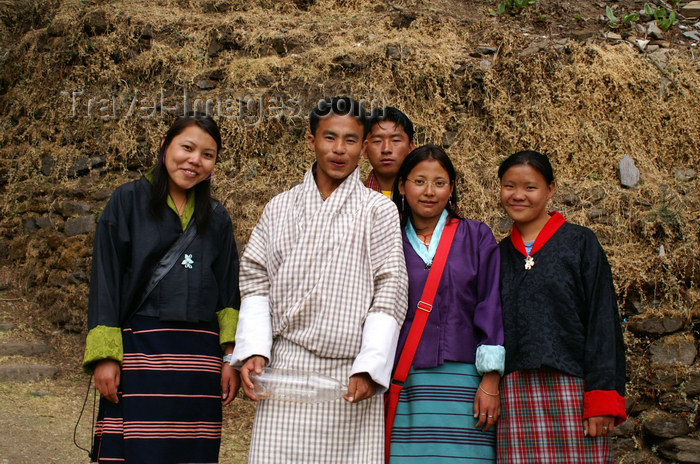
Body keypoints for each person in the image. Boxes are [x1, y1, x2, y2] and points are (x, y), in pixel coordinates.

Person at [231, 96, 409, 463]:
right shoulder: (280, 207)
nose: (339, 150)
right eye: (330, 138)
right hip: (285, 367)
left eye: (350, 140)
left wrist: (370, 367)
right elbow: (254, 277)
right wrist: (253, 349)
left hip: (349, 374)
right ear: (312, 141)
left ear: (362, 147)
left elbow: (390, 287)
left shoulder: (379, 210)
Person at [82, 113, 240, 463]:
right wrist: (106, 357)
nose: (194, 160)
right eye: (187, 147)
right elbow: (106, 280)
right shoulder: (126, 202)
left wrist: (230, 358)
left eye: (207, 154)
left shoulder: (216, 217)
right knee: (134, 449)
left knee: (192, 452)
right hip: (140, 352)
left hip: (199, 363)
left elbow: (229, 293)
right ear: (165, 146)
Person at [496, 150, 626, 463]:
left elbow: (603, 320)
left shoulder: (580, 243)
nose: (518, 195)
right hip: (514, 394)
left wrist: (602, 398)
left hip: (574, 391)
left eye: (530, 187)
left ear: (550, 189)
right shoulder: (497, 255)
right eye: (509, 186)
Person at [388, 145, 505, 463]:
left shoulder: (476, 236)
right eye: (419, 181)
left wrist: (491, 380)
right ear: (402, 185)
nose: (429, 191)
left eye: (440, 182)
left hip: (467, 383)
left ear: (451, 188)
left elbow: (491, 304)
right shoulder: (388, 239)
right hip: (405, 380)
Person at [364, 106, 415, 197]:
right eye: (377, 141)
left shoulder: (423, 198)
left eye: (395, 140)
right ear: (364, 150)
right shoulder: (352, 200)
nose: (386, 149)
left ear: (410, 147)